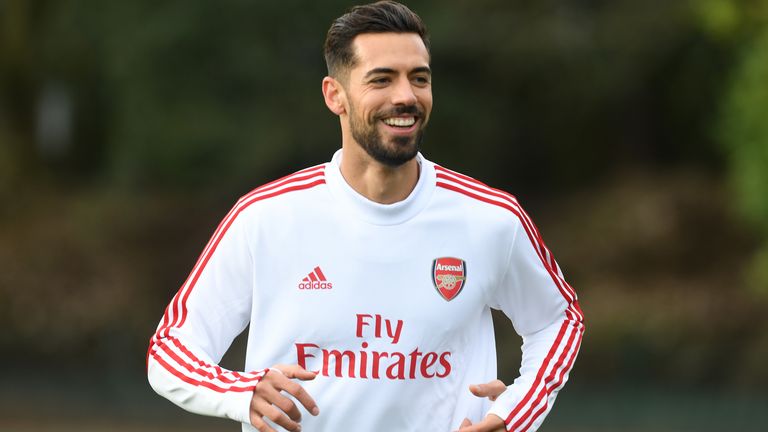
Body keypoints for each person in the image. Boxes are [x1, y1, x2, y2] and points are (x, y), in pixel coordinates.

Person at [146, 1, 584, 431]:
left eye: (419, 78)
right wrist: (241, 392)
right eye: (382, 79)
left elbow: (559, 320)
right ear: (335, 95)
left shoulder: (490, 219)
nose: (406, 96)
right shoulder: (266, 218)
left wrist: (513, 413)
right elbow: (170, 351)